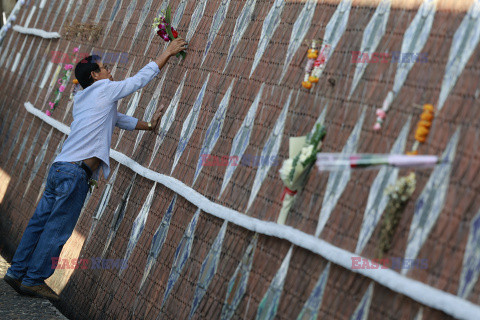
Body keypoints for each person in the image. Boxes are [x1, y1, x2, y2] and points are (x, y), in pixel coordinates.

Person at [4, 38, 187, 300]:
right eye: (105, 68)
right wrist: (166, 53)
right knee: (57, 228)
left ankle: (16, 272)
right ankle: (32, 280)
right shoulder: (103, 90)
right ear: (95, 75)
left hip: (59, 169)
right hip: (74, 174)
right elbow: (136, 82)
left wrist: (149, 125)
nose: (110, 71)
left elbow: (117, 119)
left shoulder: (83, 98)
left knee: (39, 223)